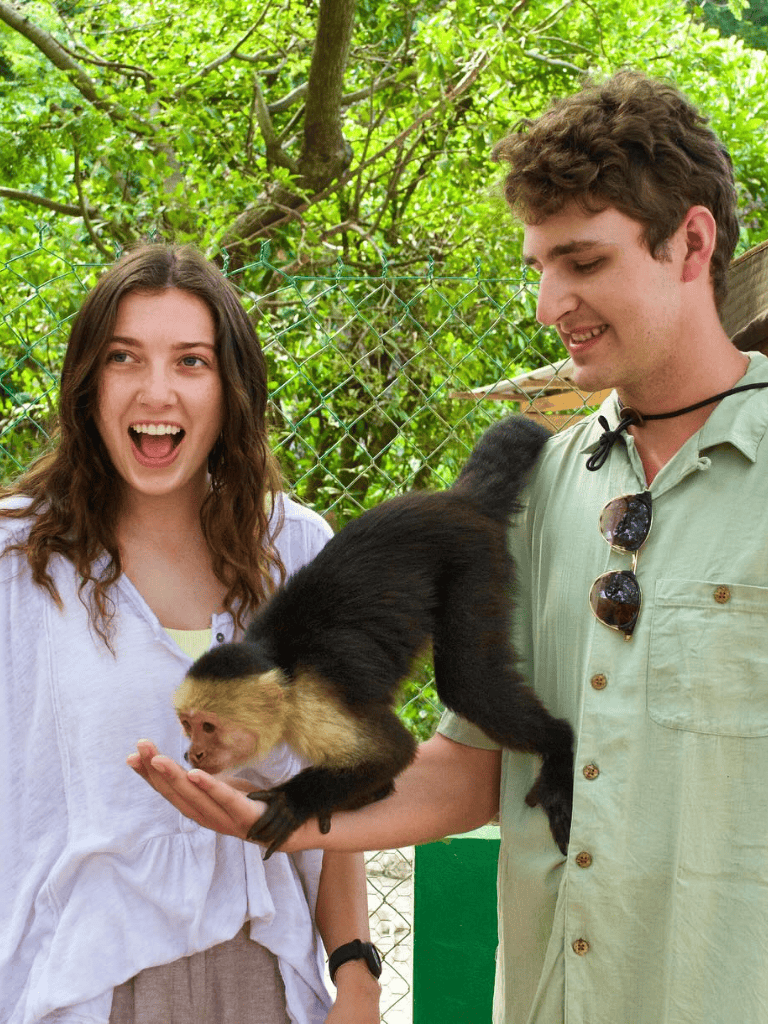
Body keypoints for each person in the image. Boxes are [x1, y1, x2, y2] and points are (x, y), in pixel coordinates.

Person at [129, 71, 768, 1023]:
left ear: (691, 244)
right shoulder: (545, 493)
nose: (551, 304)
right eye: (540, 266)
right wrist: (290, 822)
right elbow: (472, 767)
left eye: (584, 263)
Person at [0, 244, 381, 1024]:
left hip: (263, 983)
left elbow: (334, 794)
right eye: (124, 358)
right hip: (76, 988)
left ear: (230, 388)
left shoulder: (300, 550)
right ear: (88, 383)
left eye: (192, 361)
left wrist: (356, 977)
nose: (157, 390)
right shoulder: (18, 556)